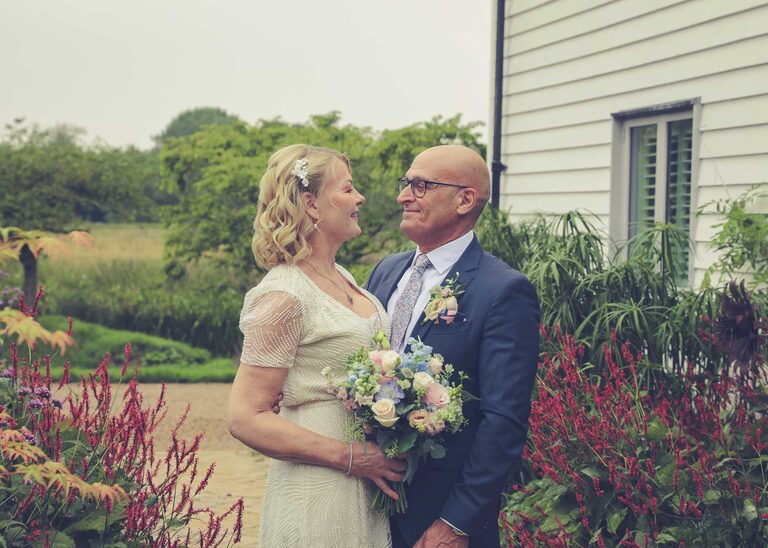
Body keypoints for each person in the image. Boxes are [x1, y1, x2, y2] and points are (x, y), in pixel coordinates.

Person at [227, 144, 405, 548]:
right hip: (318, 482)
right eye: (348, 189)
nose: (360, 198)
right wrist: (349, 456)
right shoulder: (284, 295)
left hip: (365, 481)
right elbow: (245, 417)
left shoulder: (343, 276)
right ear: (310, 203)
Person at [366, 145, 540, 548]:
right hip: (365, 508)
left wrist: (457, 523)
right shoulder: (386, 270)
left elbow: (504, 421)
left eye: (421, 185)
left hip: (437, 520)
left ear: (465, 200)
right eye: (406, 183)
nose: (403, 196)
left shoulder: (504, 291)